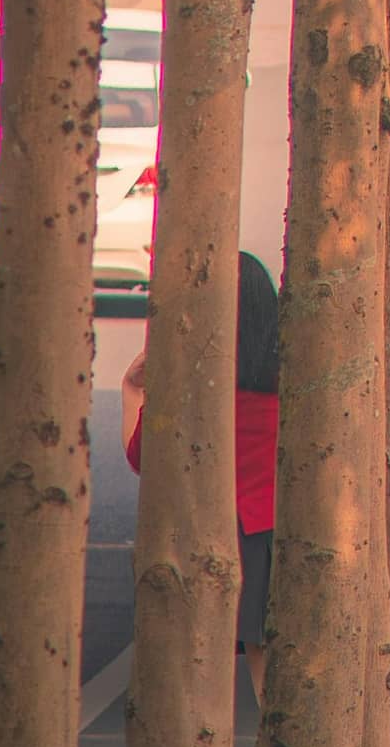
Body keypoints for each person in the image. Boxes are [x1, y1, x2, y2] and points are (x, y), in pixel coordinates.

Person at [118, 249, 284, 656]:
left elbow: (143, 457)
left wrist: (132, 391)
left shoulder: (189, 393)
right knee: (269, 663)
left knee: (196, 659)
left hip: (202, 534)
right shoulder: (287, 393)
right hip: (272, 532)